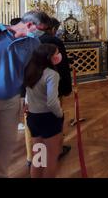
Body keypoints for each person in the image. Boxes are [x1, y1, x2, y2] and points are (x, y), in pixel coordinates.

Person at [0, 11, 51, 178]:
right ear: (30, 25)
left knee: (6, 145)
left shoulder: (34, 42)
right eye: (40, 29)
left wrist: (29, 97)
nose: (40, 33)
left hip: (11, 100)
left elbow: (33, 72)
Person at [24, 44, 64, 178]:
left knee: (38, 157)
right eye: (56, 53)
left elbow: (27, 96)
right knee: (51, 158)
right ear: (49, 57)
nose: (59, 55)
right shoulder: (52, 74)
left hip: (33, 117)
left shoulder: (30, 71)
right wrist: (60, 114)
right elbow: (52, 102)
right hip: (49, 118)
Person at [39, 18, 72, 159]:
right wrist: (66, 87)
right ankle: (56, 151)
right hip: (55, 86)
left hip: (34, 115)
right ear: (53, 29)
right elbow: (63, 66)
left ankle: (37, 157)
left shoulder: (36, 41)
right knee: (55, 119)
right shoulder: (56, 42)